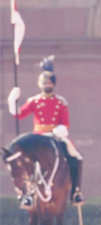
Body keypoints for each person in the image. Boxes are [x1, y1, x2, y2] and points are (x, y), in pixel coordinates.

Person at [7, 55, 84, 207]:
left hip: (55, 135)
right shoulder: (34, 101)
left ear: (53, 84)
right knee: (25, 164)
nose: (46, 84)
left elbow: (65, 123)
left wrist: (60, 130)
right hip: (38, 137)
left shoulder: (60, 102)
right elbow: (18, 114)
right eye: (43, 82)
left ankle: (76, 191)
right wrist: (12, 100)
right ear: (39, 84)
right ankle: (27, 195)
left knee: (76, 158)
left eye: (49, 82)